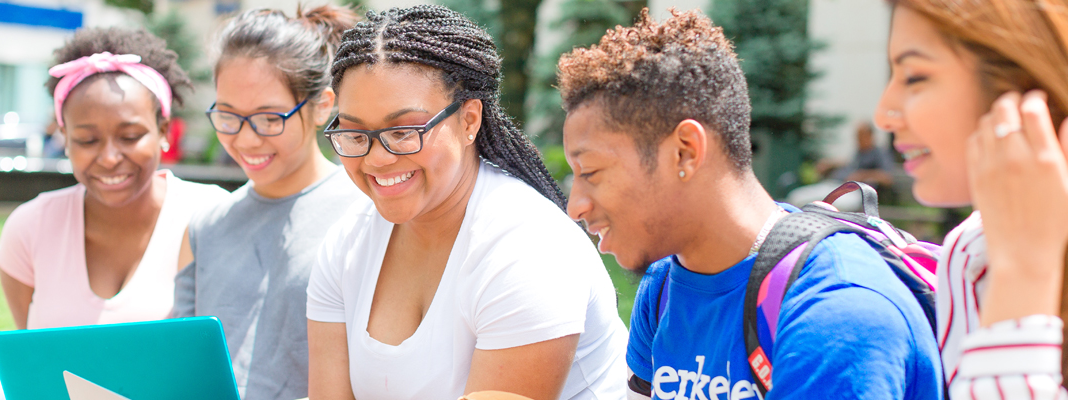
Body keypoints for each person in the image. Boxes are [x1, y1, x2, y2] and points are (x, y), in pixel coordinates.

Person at [556, 9, 940, 400]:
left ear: (685, 152)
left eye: (591, 172)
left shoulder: (837, 311)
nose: (576, 207)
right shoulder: (665, 286)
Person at [305, 5, 628, 400]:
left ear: (469, 120)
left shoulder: (529, 249)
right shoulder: (347, 242)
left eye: (405, 131)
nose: (377, 158)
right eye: (355, 134)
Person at [0, 28, 227, 400]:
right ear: (64, 138)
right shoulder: (31, 227)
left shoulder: (210, 215)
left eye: (130, 136)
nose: (110, 157)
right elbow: (36, 365)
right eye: (87, 140)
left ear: (163, 131)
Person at [874, 1, 1068, 397]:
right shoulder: (972, 254)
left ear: (1026, 85)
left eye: (914, 77)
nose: (884, 115)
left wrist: (1023, 273)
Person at [169, 6, 361, 400]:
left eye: (270, 118)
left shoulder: (366, 214)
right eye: (228, 116)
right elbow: (179, 362)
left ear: (323, 105)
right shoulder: (206, 226)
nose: (246, 140)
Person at [786, 121, 896, 209]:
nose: (857, 139)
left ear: (870, 136)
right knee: (796, 197)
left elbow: (887, 178)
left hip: (854, 194)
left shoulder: (879, 153)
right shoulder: (859, 152)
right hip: (835, 185)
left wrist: (862, 175)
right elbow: (849, 164)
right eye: (856, 136)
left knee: (822, 205)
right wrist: (830, 164)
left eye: (860, 136)